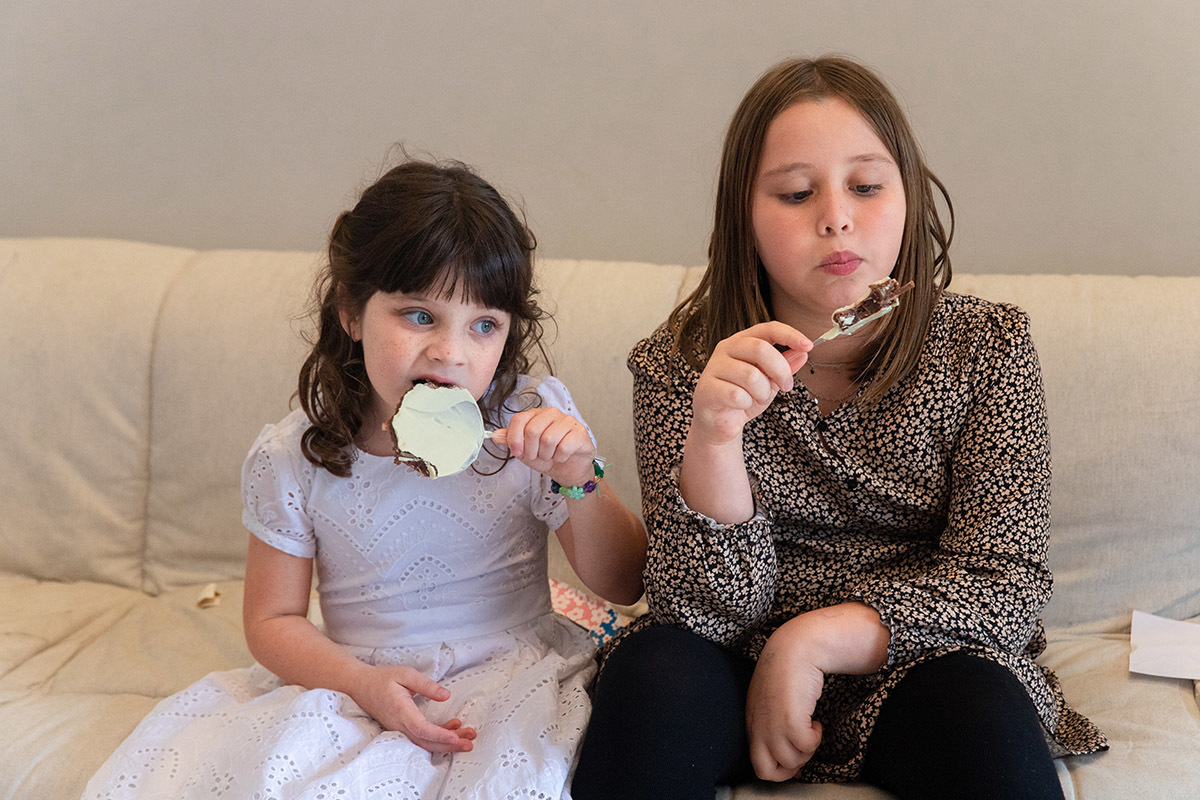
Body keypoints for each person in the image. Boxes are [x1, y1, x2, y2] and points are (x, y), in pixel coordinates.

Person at [572, 56, 1106, 800]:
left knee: (983, 722)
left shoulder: (987, 347)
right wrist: (715, 439)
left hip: (921, 662)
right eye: (796, 193)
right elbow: (698, 611)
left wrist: (812, 643)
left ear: (910, 198)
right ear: (744, 219)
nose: (836, 217)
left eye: (865, 185)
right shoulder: (680, 364)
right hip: (730, 660)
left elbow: (1002, 584)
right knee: (653, 674)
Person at [83, 159, 647, 799]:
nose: (451, 352)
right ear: (352, 312)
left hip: (518, 673)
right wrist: (359, 683)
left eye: (483, 325)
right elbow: (272, 619)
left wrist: (578, 479)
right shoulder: (296, 454)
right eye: (419, 316)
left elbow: (624, 580)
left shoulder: (529, 420)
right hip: (358, 679)